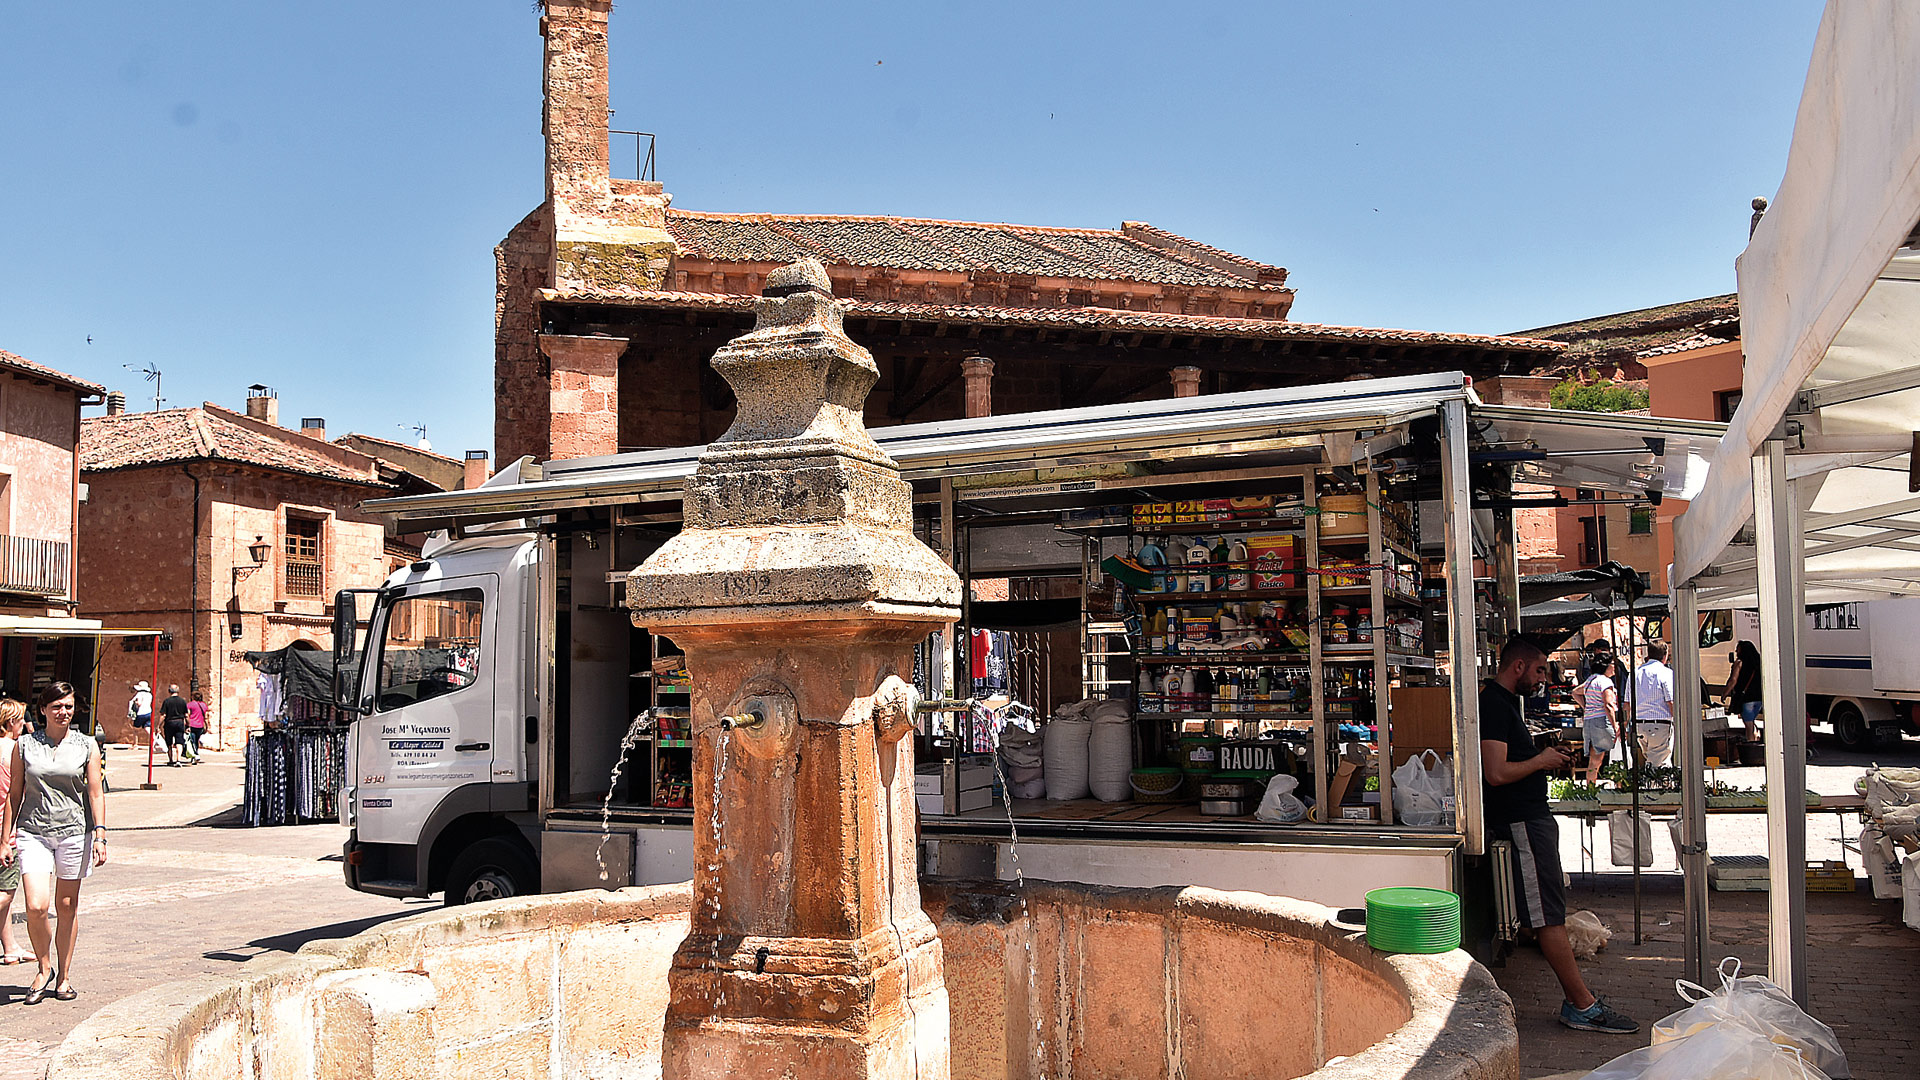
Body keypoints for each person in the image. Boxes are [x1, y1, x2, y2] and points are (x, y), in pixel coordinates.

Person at [1480, 637, 1639, 1034]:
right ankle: (1581, 1004)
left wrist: (1542, 760)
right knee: (1548, 916)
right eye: (1537, 671)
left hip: (1531, 820)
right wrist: (1542, 760)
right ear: (1517, 667)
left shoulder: (1504, 705)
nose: (1542, 679)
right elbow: (1496, 773)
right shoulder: (1494, 706)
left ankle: (1580, 1002)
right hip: (1521, 822)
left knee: (1548, 911)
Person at [1, 683, 107, 1004]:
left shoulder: (87, 745)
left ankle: (63, 976)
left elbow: (95, 792)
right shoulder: (24, 746)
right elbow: (15, 793)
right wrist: (5, 838)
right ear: (43, 710)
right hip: (33, 832)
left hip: (74, 832)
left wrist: (100, 834)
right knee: (36, 905)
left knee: (66, 906)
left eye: (69, 706)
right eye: (57, 706)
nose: (64, 712)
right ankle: (43, 967)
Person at [0, 700, 29, 965]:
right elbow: (15, 793)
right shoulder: (14, 751)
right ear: (11, 723)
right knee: (6, 890)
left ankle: (10, 947)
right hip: (6, 830)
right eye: (21, 720)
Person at [1579, 657, 1622, 784]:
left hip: (1589, 721)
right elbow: (1608, 704)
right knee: (1616, 756)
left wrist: (1586, 707)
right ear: (1606, 666)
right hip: (1602, 721)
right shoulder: (1605, 682)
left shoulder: (1590, 680)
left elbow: (1575, 692)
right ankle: (1620, 785)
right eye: (1613, 664)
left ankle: (1590, 786)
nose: (1615, 667)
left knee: (1594, 759)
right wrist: (1615, 725)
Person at [1633, 642, 1676, 768]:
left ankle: (1652, 785)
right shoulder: (1666, 673)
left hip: (1639, 724)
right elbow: (1670, 701)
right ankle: (1658, 787)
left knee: (1651, 758)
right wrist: (1677, 722)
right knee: (1660, 763)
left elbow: (1627, 703)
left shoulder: (1636, 672)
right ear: (1665, 656)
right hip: (1660, 724)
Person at [1725, 639, 1764, 741]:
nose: (1736, 651)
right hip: (1759, 698)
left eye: (1738, 649)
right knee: (1751, 721)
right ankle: (1756, 739)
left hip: (1746, 699)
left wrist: (1725, 694)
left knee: (1748, 725)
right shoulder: (1758, 662)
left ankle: (1751, 747)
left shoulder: (1739, 663)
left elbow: (1733, 680)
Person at [158, 685, 189, 767]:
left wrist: (158, 725)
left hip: (169, 722)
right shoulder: (182, 701)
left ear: (169, 691)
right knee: (179, 741)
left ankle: (171, 759)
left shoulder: (167, 701)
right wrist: (188, 725)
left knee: (169, 742)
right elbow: (186, 715)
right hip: (179, 722)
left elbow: (163, 715)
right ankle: (178, 759)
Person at [185, 691, 208, 763]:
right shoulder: (204, 705)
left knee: (192, 741)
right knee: (196, 741)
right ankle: (195, 754)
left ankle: (195, 755)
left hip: (192, 725)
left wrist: (186, 724)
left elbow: (187, 715)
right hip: (200, 725)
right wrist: (206, 726)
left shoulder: (190, 705)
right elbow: (206, 716)